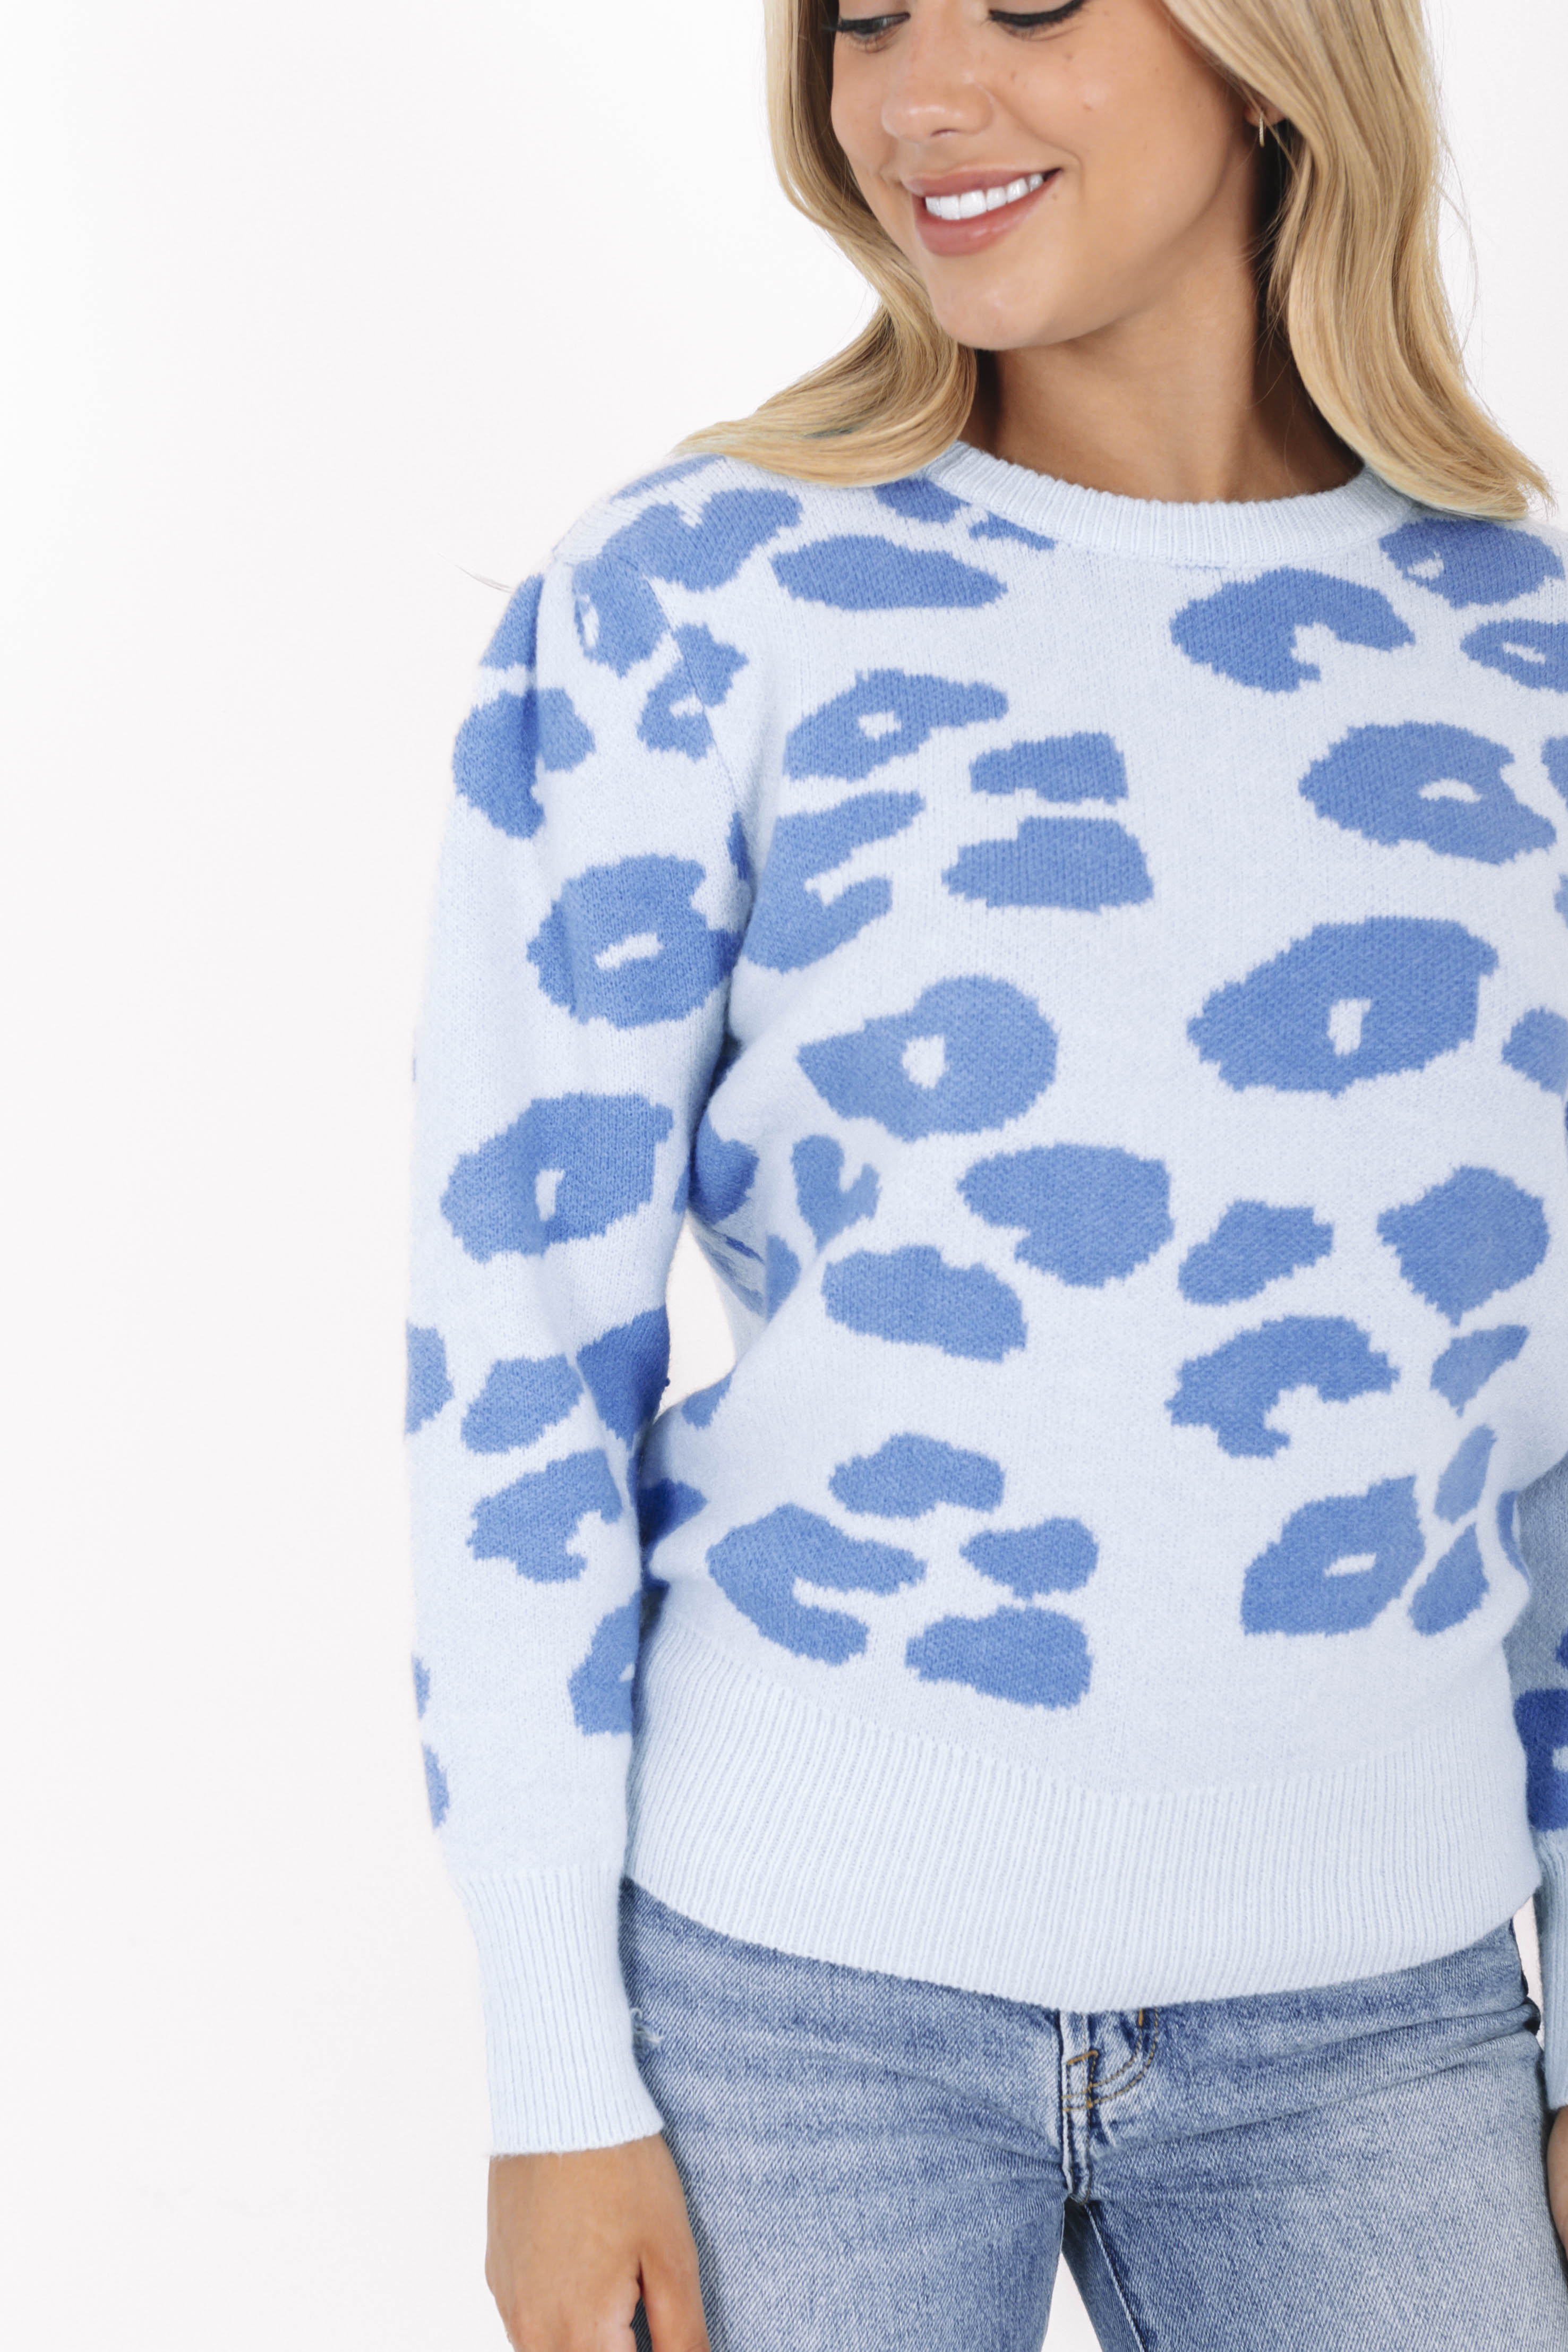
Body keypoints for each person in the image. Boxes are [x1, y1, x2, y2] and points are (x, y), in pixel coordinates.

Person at [405, 1, 1568, 2344]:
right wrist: (552, 2076)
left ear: (1266, 52)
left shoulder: (1518, 663)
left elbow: (1539, 1422)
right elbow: (516, 1355)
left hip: (1387, 2023)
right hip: (785, 2011)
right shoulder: (699, 595)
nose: (915, 93)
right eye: (864, 16)